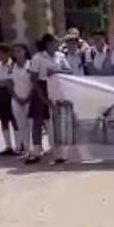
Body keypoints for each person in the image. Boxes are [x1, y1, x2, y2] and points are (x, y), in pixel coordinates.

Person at [27, 33, 71, 164]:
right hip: (42, 87)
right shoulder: (38, 57)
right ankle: (36, 151)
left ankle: (58, 152)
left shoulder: (60, 56)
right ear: (47, 44)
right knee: (38, 121)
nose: (57, 45)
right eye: (54, 42)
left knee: (57, 122)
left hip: (57, 88)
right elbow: (34, 79)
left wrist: (57, 72)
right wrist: (42, 97)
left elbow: (69, 71)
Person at [0, 44, 19, 155]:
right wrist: (1, 83)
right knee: (4, 120)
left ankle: (19, 144)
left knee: (14, 119)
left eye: (2, 53)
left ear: (7, 53)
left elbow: (10, 82)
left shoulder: (13, 65)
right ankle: (8, 146)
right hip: (0, 95)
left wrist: (1, 82)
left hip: (10, 93)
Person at [10, 44, 33, 157]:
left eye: (19, 51)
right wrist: (16, 98)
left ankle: (35, 148)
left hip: (30, 98)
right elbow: (9, 84)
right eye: (15, 51)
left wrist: (28, 97)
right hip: (16, 99)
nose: (17, 53)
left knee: (31, 124)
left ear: (25, 51)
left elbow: (34, 83)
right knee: (21, 124)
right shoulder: (12, 66)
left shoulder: (31, 64)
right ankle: (27, 148)